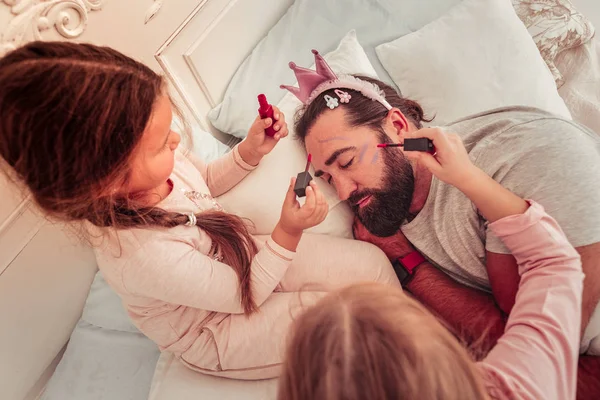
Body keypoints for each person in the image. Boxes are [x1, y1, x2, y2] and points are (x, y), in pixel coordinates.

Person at [0, 41, 400, 379]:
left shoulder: (160, 170)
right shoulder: (140, 254)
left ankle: (421, 331)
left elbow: (204, 181)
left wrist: (248, 152)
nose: (176, 140)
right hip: (219, 325)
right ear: (108, 180)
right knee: (350, 323)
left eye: (168, 127)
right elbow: (245, 295)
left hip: (240, 256)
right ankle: (418, 367)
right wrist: (288, 231)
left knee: (370, 264)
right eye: (159, 145)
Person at [284, 49, 600, 397]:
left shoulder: (519, 159)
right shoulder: (391, 197)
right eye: (328, 179)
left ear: (399, 127)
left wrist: (408, 260)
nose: (343, 193)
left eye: (345, 163)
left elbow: (534, 357)